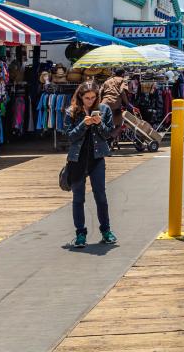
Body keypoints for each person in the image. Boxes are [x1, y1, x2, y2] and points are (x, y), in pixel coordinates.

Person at [64, 85, 117, 247]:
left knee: (101, 196)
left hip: (97, 158)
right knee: (78, 198)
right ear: (80, 97)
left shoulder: (104, 109)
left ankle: (106, 231)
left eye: (93, 97)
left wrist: (99, 123)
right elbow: (70, 136)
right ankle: (80, 234)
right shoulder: (71, 111)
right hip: (77, 159)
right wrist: (84, 125)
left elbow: (109, 134)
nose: (90, 101)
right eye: (87, 98)